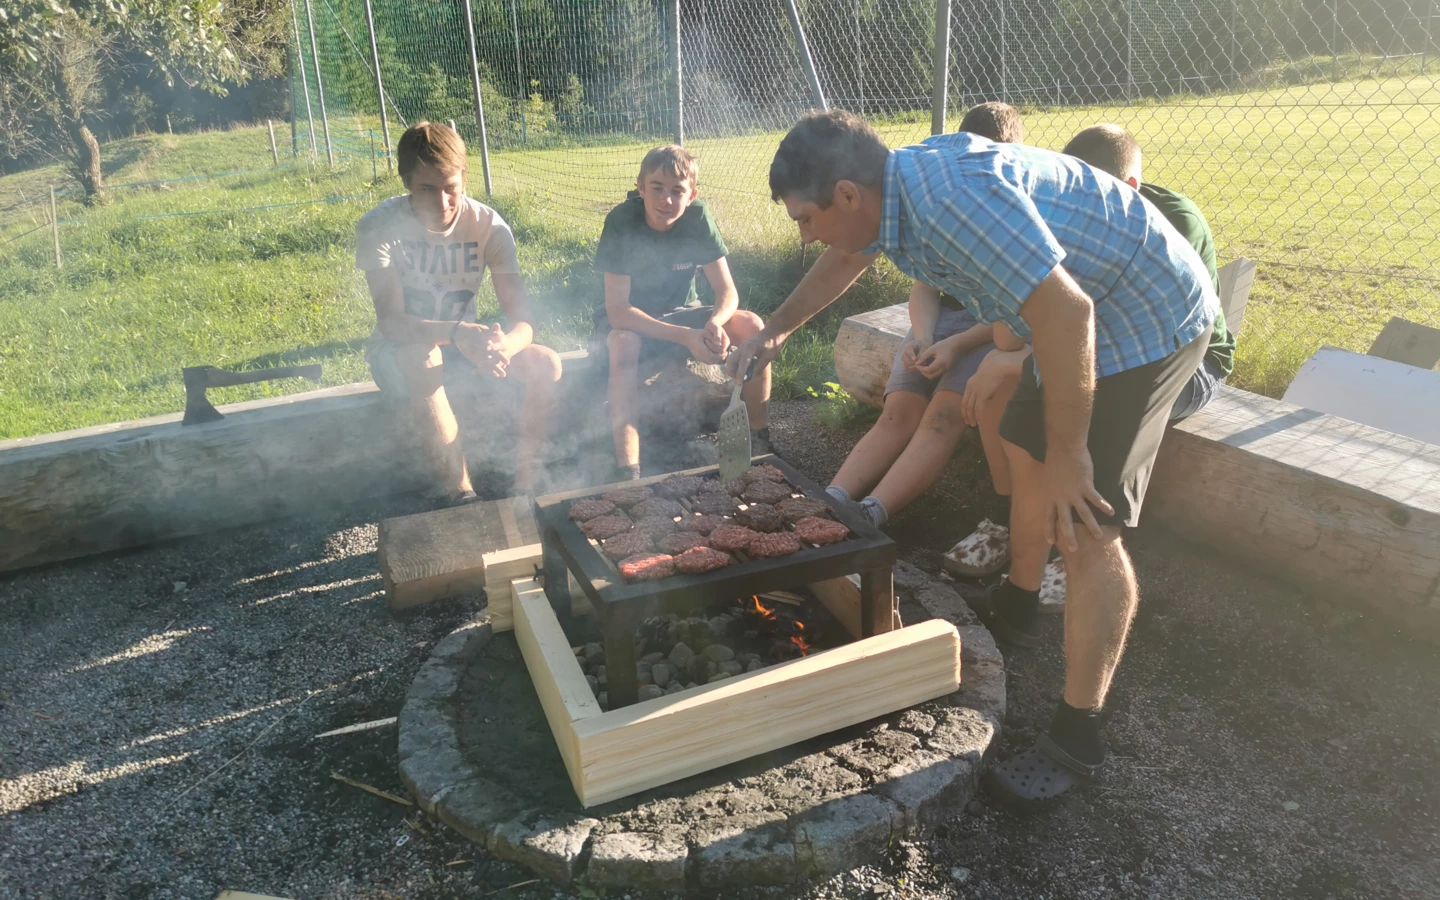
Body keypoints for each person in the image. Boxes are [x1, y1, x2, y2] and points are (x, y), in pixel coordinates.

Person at [727, 110, 1217, 806]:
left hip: (1141, 313)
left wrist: (1073, 452)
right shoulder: (887, 201)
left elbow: (1071, 316)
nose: (803, 237)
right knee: (1020, 442)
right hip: (1060, 309)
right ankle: (1018, 605)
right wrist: (774, 331)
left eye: (805, 218)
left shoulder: (948, 203)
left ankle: (1080, 735)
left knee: (1084, 521)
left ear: (846, 196)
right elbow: (845, 258)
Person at [946, 124, 1238, 610]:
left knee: (1083, 406)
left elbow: (1143, 335)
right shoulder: (1056, 210)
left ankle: (1073, 548)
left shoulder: (1173, 219)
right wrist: (1009, 353)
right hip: (1093, 348)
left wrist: (1013, 359)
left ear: (1130, 191)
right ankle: (1010, 524)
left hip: (1181, 360)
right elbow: (1020, 325)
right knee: (1008, 398)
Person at [824, 102, 1025, 527]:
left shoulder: (1011, 208)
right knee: (896, 414)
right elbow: (924, 287)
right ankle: (830, 500)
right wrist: (924, 335)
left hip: (990, 332)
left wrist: (955, 344)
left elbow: (1016, 312)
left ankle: (871, 513)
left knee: (941, 419)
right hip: (942, 326)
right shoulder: (942, 204)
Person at [357, 122, 562, 502]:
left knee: (546, 363)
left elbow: (524, 321)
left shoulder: (489, 227)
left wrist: (504, 346)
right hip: (399, 352)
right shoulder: (379, 227)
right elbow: (391, 323)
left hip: (464, 344)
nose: (442, 203)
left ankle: (525, 490)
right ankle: (462, 496)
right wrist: (457, 333)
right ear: (406, 183)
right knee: (423, 355)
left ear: (464, 178)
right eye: (427, 189)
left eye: (451, 188)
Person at [595, 145, 769, 481]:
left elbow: (727, 291)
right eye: (657, 188)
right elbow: (618, 311)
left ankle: (760, 441)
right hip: (633, 323)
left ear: (692, 195)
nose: (666, 200)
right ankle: (628, 468)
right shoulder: (621, 222)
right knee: (623, 343)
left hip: (682, 316)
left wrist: (715, 323)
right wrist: (688, 337)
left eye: (678, 191)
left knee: (752, 325)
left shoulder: (697, 217)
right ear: (641, 188)